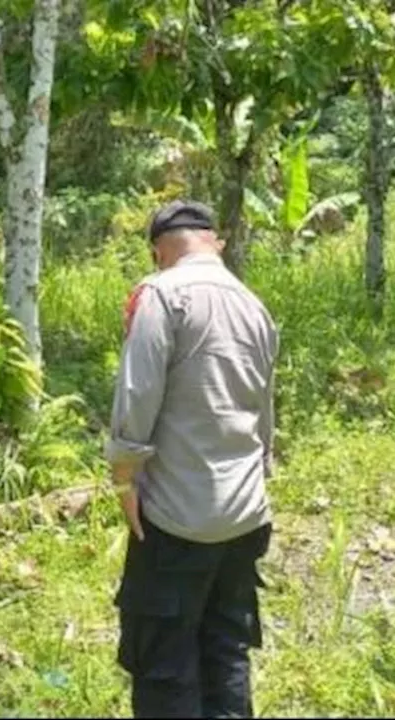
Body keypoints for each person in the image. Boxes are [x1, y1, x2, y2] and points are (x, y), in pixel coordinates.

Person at [107, 200, 279, 719]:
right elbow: (264, 412)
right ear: (214, 242)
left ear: (160, 250)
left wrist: (124, 482)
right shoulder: (253, 304)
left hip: (177, 517)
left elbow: (136, 399)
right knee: (226, 647)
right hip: (245, 514)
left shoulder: (160, 295)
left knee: (164, 658)